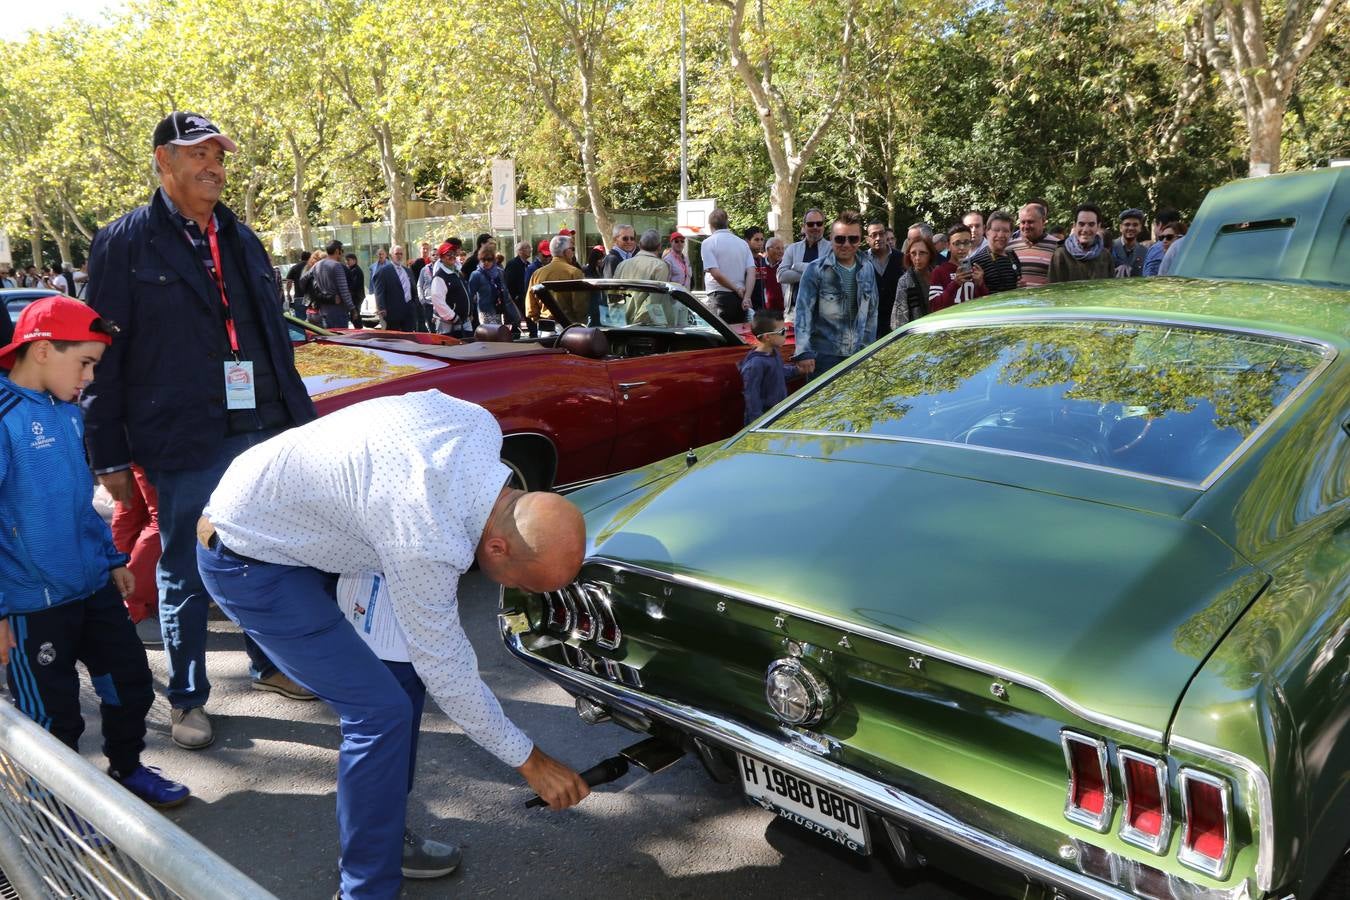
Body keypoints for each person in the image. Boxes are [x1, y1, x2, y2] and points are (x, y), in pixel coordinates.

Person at [196, 391, 592, 900]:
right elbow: (448, 667)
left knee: (402, 685)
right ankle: (365, 891)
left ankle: (382, 838)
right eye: (525, 583)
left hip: (318, 530)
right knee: (379, 714)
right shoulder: (427, 537)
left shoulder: (479, 424)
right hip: (248, 558)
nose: (516, 592)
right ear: (498, 547)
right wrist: (531, 761)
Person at [83, 112, 318, 752]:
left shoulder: (241, 237)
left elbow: (271, 339)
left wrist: (300, 424)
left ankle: (268, 667)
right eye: (198, 154)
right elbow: (102, 354)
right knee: (186, 566)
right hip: (182, 435)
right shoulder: (124, 241)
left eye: (220, 154)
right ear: (163, 161)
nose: (213, 165)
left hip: (263, 424)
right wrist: (106, 451)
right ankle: (187, 699)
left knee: (267, 553)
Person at [0, 296, 190, 808]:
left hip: (90, 586)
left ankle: (126, 769)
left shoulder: (67, 414)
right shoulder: (4, 417)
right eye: (83, 362)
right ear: (41, 350)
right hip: (29, 605)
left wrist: (109, 560)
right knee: (52, 717)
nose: (88, 376)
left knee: (130, 683)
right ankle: (52, 811)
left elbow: (79, 503)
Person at [792, 209, 878, 380]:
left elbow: (871, 313)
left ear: (860, 240)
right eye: (840, 239)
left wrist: (868, 349)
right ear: (831, 239)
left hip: (858, 354)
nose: (846, 244)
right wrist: (803, 351)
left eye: (852, 239)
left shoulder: (867, 268)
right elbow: (803, 312)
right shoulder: (815, 270)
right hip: (824, 356)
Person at [110, 464, 163, 646]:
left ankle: (126, 606)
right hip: (158, 444)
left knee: (130, 511)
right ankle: (135, 609)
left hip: (129, 442)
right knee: (163, 519)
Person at [739, 310, 804, 424]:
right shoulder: (755, 364)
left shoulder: (774, 352)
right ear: (767, 337)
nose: (786, 333)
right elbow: (752, 397)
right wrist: (758, 424)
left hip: (778, 414)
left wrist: (797, 370)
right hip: (765, 419)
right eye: (782, 331)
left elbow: (779, 372)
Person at [699, 208, 756, 324]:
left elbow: (715, 273)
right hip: (740, 298)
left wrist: (736, 289)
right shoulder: (742, 243)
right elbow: (751, 272)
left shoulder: (708, 243)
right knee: (739, 336)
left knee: (720, 338)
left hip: (719, 296)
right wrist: (747, 297)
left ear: (710, 225)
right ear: (727, 223)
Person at [616, 229, 674, 325]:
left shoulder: (622, 264)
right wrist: (637, 323)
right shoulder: (660, 266)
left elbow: (613, 295)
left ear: (640, 245)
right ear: (659, 247)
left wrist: (617, 319)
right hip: (648, 327)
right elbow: (654, 300)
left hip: (622, 323)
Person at [526, 235, 586, 325]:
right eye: (572, 249)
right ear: (565, 251)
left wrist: (538, 320)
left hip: (545, 326)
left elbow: (530, 307)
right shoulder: (574, 273)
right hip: (569, 326)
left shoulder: (537, 273)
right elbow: (580, 306)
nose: (573, 252)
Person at [928, 223, 988, 313]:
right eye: (957, 243)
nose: (962, 248)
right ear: (948, 246)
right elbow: (934, 306)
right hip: (951, 325)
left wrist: (980, 285)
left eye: (966, 243)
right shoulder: (939, 271)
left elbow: (985, 305)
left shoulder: (975, 270)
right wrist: (955, 283)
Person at [776, 209, 827, 312]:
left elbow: (830, 275)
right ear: (804, 226)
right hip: (795, 311)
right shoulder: (792, 249)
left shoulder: (832, 249)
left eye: (819, 223)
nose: (815, 227)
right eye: (811, 224)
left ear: (823, 225)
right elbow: (781, 275)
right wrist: (814, 273)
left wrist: (798, 267)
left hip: (824, 313)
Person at [1048, 204, 1113, 283]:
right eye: (1081, 224)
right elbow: (1054, 290)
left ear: (1098, 226)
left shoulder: (1105, 256)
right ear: (1074, 226)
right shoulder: (1061, 255)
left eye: (1091, 224)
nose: (1085, 229)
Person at [966, 211, 1022, 294]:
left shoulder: (1012, 255)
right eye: (996, 230)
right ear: (987, 232)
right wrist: (980, 284)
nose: (1000, 235)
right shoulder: (975, 262)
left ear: (1011, 234)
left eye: (1006, 231)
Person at [426, 243, 473, 339]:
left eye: (453, 253)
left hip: (464, 322)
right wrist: (453, 317)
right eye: (448, 254)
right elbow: (438, 301)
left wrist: (470, 312)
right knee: (450, 351)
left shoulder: (457, 272)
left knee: (468, 350)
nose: (452, 256)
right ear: (442, 258)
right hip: (448, 325)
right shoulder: (440, 277)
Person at [468, 246, 520, 330]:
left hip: (500, 310)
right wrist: (470, 313)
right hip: (486, 312)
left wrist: (514, 313)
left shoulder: (499, 272)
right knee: (491, 335)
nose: (486, 262)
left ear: (494, 260)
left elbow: (506, 294)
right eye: (483, 260)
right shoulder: (476, 275)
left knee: (501, 335)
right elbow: (470, 295)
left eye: (489, 259)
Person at [865, 218, 903, 333]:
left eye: (881, 234)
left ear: (886, 236)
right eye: (873, 235)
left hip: (897, 324)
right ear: (867, 239)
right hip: (870, 327)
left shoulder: (901, 258)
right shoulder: (861, 261)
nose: (878, 238)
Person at [891, 235, 937, 330]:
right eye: (913, 253)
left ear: (930, 254)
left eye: (922, 253)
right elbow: (899, 317)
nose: (917, 258)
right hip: (917, 333)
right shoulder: (905, 281)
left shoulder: (939, 275)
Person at [1007, 203, 1058, 286]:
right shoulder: (1009, 248)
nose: (1026, 226)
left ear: (1043, 221)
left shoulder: (1058, 247)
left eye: (1030, 222)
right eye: (1023, 222)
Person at [374, 245, 418, 332]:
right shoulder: (383, 271)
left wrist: (415, 303)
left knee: (408, 338)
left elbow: (413, 288)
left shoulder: (407, 271)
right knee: (395, 339)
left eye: (401, 254)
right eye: (396, 253)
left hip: (409, 311)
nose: (399, 256)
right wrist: (381, 308)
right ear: (391, 255)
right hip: (393, 312)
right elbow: (379, 292)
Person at [1143, 208, 1181, 276]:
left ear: (1159, 224)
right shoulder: (1184, 244)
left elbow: (1150, 277)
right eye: (1162, 238)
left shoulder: (1157, 248)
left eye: (1169, 237)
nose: (1164, 241)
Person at [1111, 208, 1148, 277]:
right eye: (1127, 224)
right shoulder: (1110, 247)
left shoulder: (1144, 252)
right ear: (1121, 227)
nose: (1131, 228)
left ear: (1140, 228)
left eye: (1135, 225)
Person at [503, 240, 532, 320]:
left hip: (526, 299)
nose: (530, 250)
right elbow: (508, 282)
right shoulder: (513, 264)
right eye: (527, 248)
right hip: (516, 301)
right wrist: (516, 296)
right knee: (515, 326)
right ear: (520, 251)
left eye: (530, 247)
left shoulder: (528, 265)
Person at [743, 226, 768, 311]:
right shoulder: (743, 261)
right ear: (747, 241)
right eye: (756, 240)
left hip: (763, 308)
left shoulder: (764, 261)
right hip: (747, 306)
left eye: (762, 239)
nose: (760, 243)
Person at [762, 236, 786, 311]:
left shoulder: (785, 265)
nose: (781, 252)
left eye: (782, 248)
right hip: (765, 310)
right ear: (768, 250)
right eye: (778, 248)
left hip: (784, 309)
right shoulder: (760, 265)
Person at [284, 249, 309, 319]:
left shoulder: (294, 267)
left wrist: (288, 294)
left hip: (298, 297)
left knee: (301, 322)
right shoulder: (312, 267)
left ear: (301, 258)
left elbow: (289, 282)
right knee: (313, 323)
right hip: (310, 298)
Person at [344, 253, 366, 326]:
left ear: (354, 260)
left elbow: (353, 285)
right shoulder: (352, 269)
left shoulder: (355, 270)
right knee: (354, 316)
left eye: (348, 260)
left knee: (355, 316)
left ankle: (359, 331)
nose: (346, 262)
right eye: (346, 260)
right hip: (356, 296)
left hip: (356, 297)